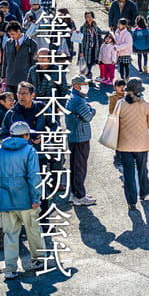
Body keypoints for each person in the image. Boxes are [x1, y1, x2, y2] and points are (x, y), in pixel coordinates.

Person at [0, 121, 46, 279]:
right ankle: (38, 260)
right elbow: (34, 177)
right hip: (26, 200)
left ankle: (11, 268)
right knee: (33, 231)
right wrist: (36, 198)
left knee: (10, 235)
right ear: (25, 135)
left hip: (6, 200)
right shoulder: (29, 150)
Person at [115, 77, 149, 212]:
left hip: (125, 144)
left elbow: (116, 123)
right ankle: (143, 192)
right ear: (139, 92)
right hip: (142, 143)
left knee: (128, 173)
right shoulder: (147, 106)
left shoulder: (120, 104)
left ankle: (131, 202)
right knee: (142, 169)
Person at [65, 75, 97, 206]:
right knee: (80, 167)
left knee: (75, 165)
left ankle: (76, 193)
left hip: (74, 137)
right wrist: (92, 109)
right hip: (80, 137)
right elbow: (88, 116)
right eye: (84, 84)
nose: (86, 86)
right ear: (76, 86)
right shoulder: (78, 100)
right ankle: (79, 195)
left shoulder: (73, 98)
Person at [0, 21, 38, 94]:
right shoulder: (8, 43)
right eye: (9, 34)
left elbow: (34, 63)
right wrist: (3, 76)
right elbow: (5, 61)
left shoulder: (31, 44)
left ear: (19, 31)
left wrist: (33, 79)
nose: (11, 36)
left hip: (24, 79)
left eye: (13, 34)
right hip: (10, 79)